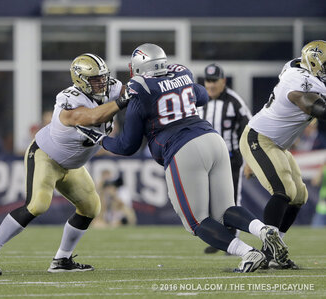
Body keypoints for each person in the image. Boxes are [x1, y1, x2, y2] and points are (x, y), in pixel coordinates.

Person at [77, 43, 288, 273]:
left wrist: (101, 140)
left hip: (183, 149)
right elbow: (202, 96)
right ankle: (263, 230)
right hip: (213, 140)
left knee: (196, 222)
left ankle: (248, 252)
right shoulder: (182, 74)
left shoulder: (140, 91)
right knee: (225, 210)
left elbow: (128, 146)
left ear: (139, 67)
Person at [0, 53, 129, 275]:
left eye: (103, 78)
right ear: (80, 81)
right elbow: (93, 117)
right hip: (45, 156)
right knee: (37, 205)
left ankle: (62, 260)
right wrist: (123, 101)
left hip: (72, 165)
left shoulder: (113, 88)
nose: (102, 83)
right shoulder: (69, 99)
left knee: (91, 207)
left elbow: (132, 93)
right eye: (95, 79)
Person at [240, 40, 326, 269]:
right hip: (259, 138)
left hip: (277, 144)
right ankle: (264, 255)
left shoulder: (301, 70)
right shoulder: (299, 79)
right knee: (284, 191)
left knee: (299, 195)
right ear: (315, 64)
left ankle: (277, 250)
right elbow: (309, 104)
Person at [198, 63, 252, 254]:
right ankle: (221, 238)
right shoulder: (199, 100)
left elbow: (249, 129)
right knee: (209, 201)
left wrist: (250, 160)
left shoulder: (234, 101)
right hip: (206, 159)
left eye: (214, 81)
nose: (211, 85)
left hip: (230, 158)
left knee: (230, 200)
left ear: (223, 81)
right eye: (208, 81)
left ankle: (232, 239)